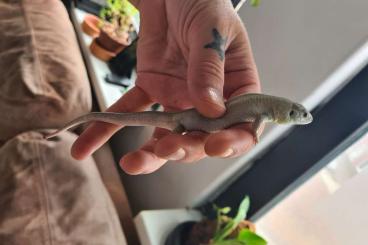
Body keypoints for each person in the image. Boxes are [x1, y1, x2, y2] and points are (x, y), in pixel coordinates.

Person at [72, 0, 262, 175]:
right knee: (171, 143)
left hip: (182, 122)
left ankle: (173, 141)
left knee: (170, 146)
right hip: (182, 121)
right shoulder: (259, 112)